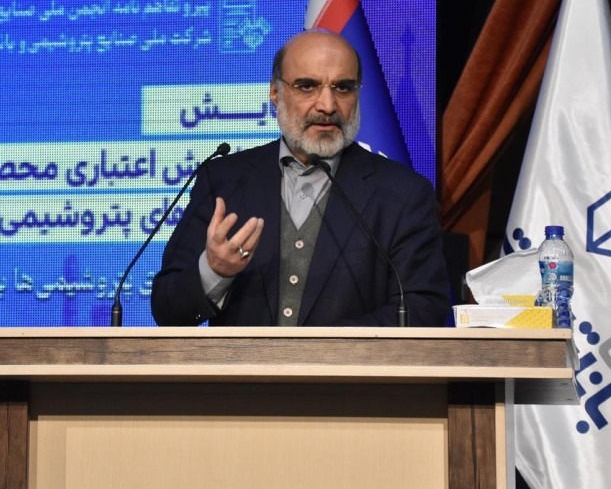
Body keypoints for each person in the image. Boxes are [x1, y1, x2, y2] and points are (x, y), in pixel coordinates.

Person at [151, 29, 450, 327]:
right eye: (307, 86)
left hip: (350, 361)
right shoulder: (223, 180)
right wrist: (214, 270)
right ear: (275, 92)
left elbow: (423, 310)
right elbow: (167, 309)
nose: (327, 106)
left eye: (343, 88)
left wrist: (322, 347)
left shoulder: (403, 193)